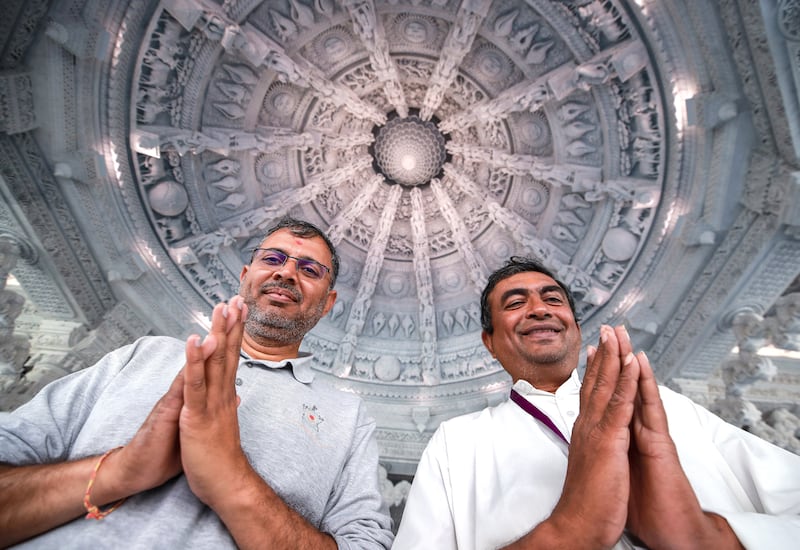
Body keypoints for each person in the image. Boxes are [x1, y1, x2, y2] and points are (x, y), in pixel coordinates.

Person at [0, 218, 394, 549]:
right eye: (272, 258)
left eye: (309, 270)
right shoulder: (146, 353)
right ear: (246, 276)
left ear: (327, 302)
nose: (286, 272)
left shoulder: (348, 415)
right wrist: (122, 469)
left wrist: (232, 478)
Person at [394, 257, 800, 549]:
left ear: (574, 325)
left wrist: (710, 537)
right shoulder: (457, 441)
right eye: (515, 304)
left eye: (553, 300)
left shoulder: (664, 407)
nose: (538, 309)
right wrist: (567, 532)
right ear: (490, 343)